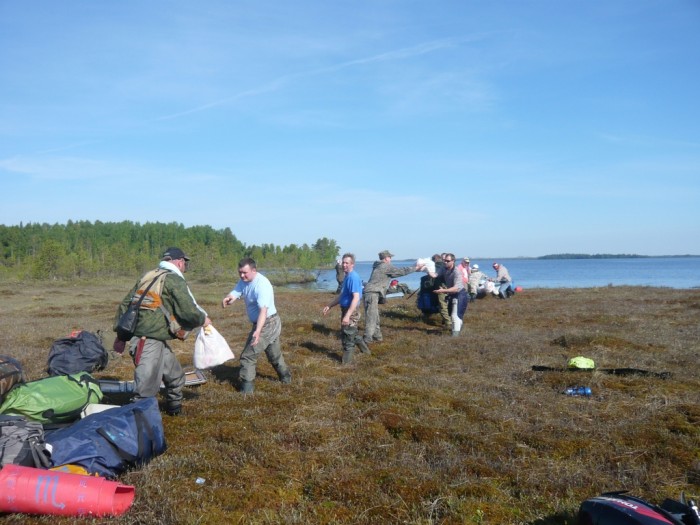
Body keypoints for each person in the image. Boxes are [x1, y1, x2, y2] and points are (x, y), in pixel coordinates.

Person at [114, 247, 211, 416]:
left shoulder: (148, 276)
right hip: (148, 342)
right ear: (179, 261)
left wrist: (121, 337)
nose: (184, 265)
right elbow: (187, 311)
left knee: (176, 377)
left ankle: (174, 410)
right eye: (184, 262)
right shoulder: (174, 279)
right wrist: (203, 319)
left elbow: (126, 305)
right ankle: (141, 427)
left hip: (155, 340)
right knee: (145, 390)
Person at [222, 257, 291, 393]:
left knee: (248, 356)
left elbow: (263, 311)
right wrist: (229, 298)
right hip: (264, 323)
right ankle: (286, 378)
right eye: (240, 272)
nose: (242, 275)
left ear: (254, 270)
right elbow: (237, 291)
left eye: (245, 273)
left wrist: (258, 331)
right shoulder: (244, 280)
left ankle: (247, 391)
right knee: (274, 355)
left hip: (268, 323)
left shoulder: (262, 285)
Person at [362, 250, 420, 344]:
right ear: (386, 258)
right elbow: (401, 271)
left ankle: (378, 337)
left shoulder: (378, 265)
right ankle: (367, 339)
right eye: (390, 257)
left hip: (370, 293)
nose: (391, 259)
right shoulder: (386, 266)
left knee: (374, 316)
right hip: (372, 293)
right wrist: (415, 268)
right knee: (372, 318)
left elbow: (394, 273)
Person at [322, 253, 370, 364]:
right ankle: (366, 352)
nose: (344, 265)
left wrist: (348, 315)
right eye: (343, 262)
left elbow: (356, 297)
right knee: (350, 333)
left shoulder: (353, 277)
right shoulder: (346, 276)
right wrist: (329, 305)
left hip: (351, 310)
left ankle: (345, 365)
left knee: (348, 338)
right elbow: (342, 296)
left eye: (347, 263)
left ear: (352, 264)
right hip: (345, 309)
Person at [434, 253, 469, 336]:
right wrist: (424, 268)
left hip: (460, 294)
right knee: (453, 315)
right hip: (451, 294)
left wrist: (443, 290)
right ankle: (457, 331)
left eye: (447, 261)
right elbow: (435, 275)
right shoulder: (443, 268)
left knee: (455, 316)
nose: (445, 262)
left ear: (453, 261)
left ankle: (455, 337)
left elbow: (456, 288)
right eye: (444, 260)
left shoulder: (457, 272)